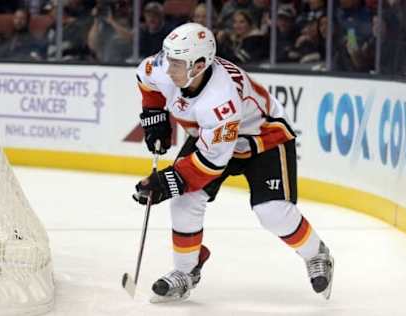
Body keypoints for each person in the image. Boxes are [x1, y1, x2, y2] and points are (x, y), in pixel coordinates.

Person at [132, 22, 334, 303]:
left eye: (177, 63)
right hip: (213, 136)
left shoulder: (220, 99)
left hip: (264, 139)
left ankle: (316, 253)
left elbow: (209, 164)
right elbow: (147, 81)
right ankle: (185, 271)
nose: (169, 67)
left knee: (272, 212)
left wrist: (164, 183)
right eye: (169, 58)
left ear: (200, 65)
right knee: (185, 200)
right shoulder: (165, 67)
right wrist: (154, 116)